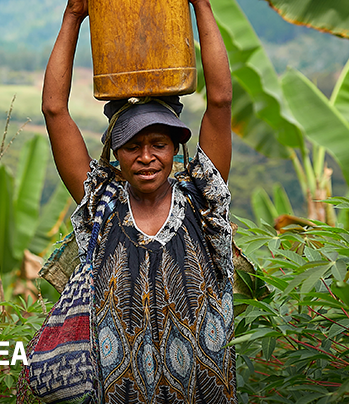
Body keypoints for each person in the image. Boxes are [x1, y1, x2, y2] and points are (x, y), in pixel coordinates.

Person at [39, 0, 235, 402]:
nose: (146, 156)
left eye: (158, 144)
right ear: (115, 154)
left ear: (176, 149)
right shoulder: (102, 205)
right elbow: (54, 110)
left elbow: (220, 101)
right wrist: (73, 17)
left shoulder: (202, 201)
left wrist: (201, 5)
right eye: (132, 146)